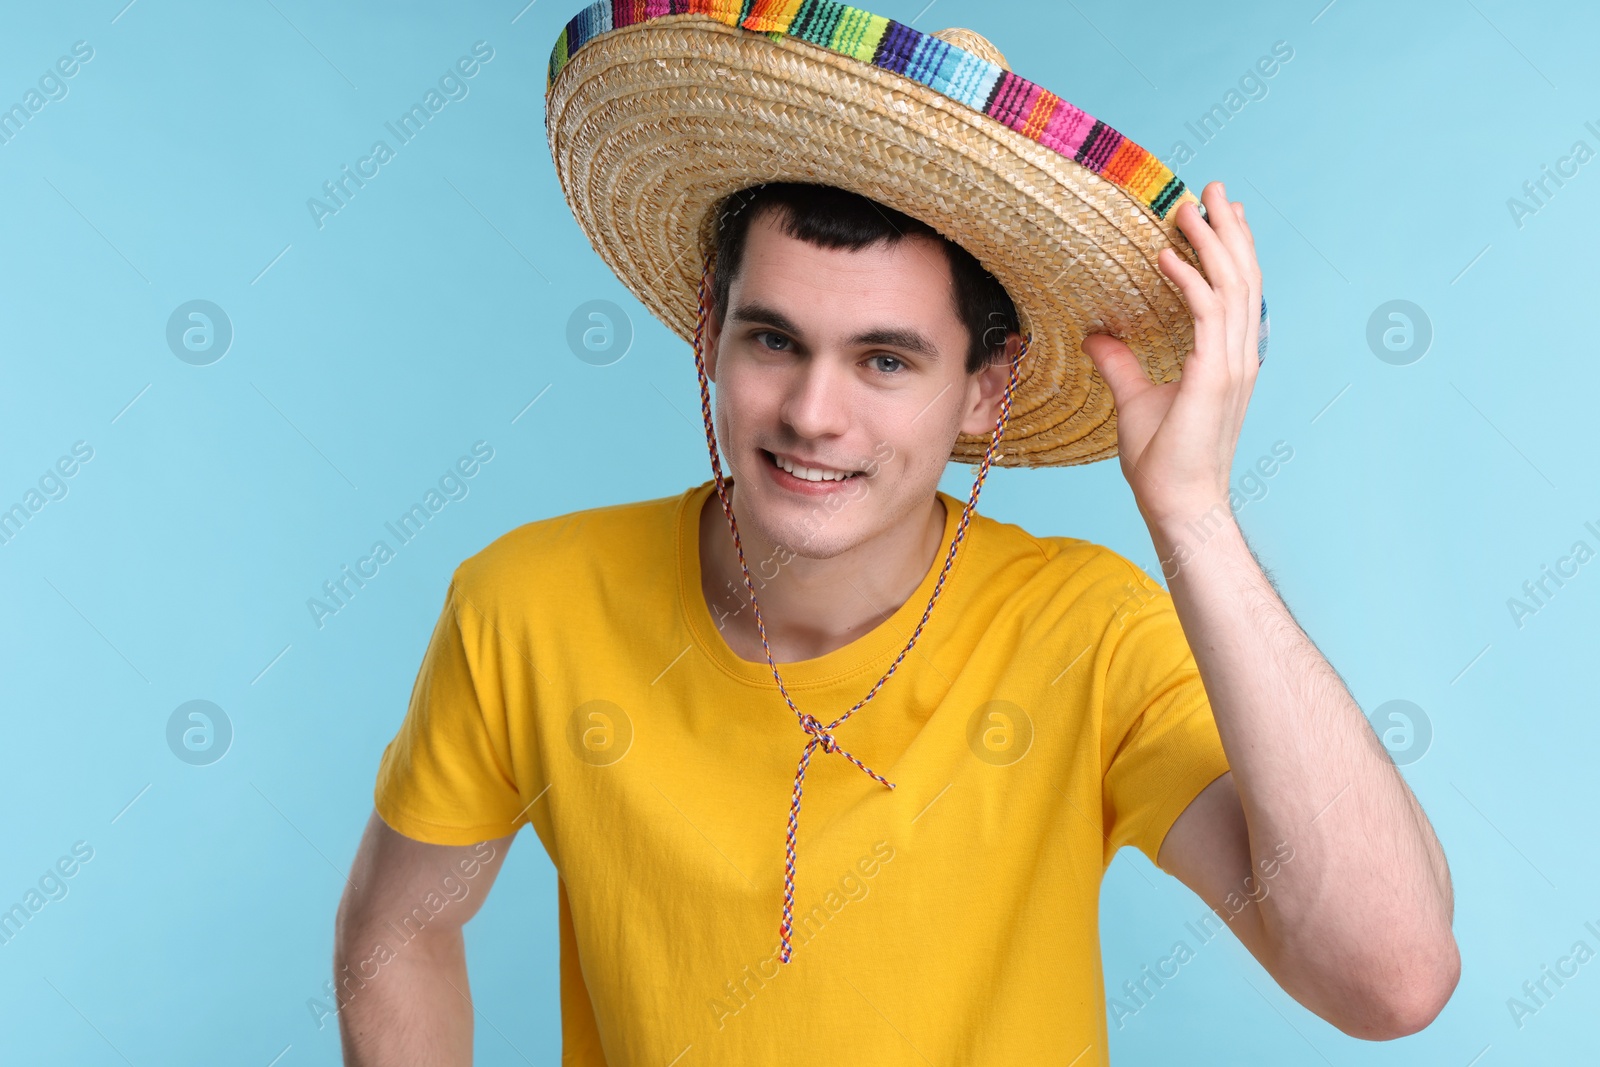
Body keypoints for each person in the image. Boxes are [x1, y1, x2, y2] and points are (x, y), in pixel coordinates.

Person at [334, 7, 1459, 1065]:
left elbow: (1389, 977)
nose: (814, 413)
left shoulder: (1087, 630)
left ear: (984, 387)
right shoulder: (527, 602)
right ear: (706, 339)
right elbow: (391, 938)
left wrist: (1192, 515)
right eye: (773, 339)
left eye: (885, 360)